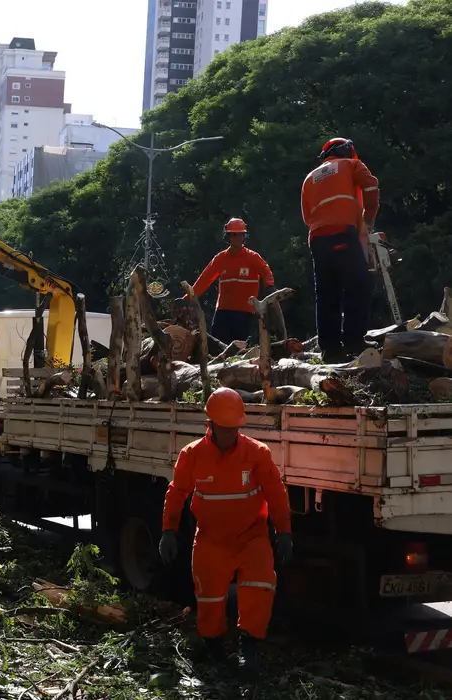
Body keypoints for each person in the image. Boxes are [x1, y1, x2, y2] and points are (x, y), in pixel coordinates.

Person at [158, 387, 293, 673]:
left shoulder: (257, 453)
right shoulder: (192, 454)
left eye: (235, 428)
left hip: (251, 535)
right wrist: (168, 530)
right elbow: (177, 491)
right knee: (209, 596)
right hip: (211, 537)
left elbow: (276, 493)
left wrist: (284, 532)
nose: (231, 434)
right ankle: (214, 647)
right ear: (211, 424)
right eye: (225, 428)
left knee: (260, 586)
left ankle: (250, 645)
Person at [301, 137, 380, 363]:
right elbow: (371, 185)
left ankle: (330, 349)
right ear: (347, 150)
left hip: (317, 238)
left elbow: (307, 216)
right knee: (360, 283)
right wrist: (369, 218)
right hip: (343, 233)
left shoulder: (309, 178)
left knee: (327, 293)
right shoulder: (352, 165)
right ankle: (354, 340)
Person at [187, 218, 275, 345]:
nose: (237, 238)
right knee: (217, 344)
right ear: (228, 237)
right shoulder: (221, 258)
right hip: (223, 310)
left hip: (244, 311)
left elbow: (266, 271)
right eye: (234, 235)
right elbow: (204, 280)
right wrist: (187, 298)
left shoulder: (252, 257)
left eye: (240, 235)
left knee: (238, 346)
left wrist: (269, 285)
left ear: (244, 236)